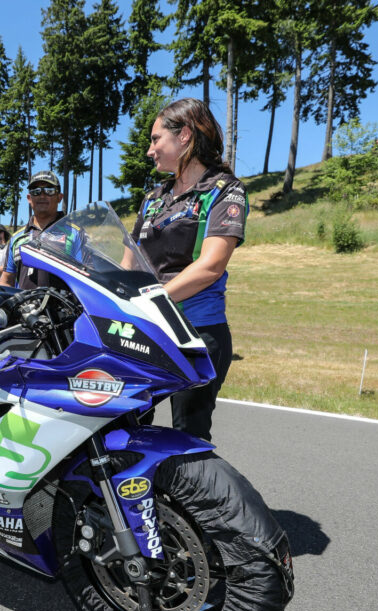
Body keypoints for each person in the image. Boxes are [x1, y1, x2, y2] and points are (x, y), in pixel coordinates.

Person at [122, 98, 247, 442]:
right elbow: (128, 261)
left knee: (187, 439)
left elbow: (210, 266)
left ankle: (199, 497)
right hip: (145, 330)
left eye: (155, 139)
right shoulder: (153, 198)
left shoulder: (224, 190)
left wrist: (150, 301)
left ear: (184, 136)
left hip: (197, 332)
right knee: (121, 427)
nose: (150, 151)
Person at [0, 170, 65, 289]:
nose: (42, 196)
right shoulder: (17, 238)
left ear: (59, 197)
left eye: (49, 191)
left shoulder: (74, 234)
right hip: (25, 307)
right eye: (36, 191)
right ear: (29, 198)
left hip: (64, 307)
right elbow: (6, 280)